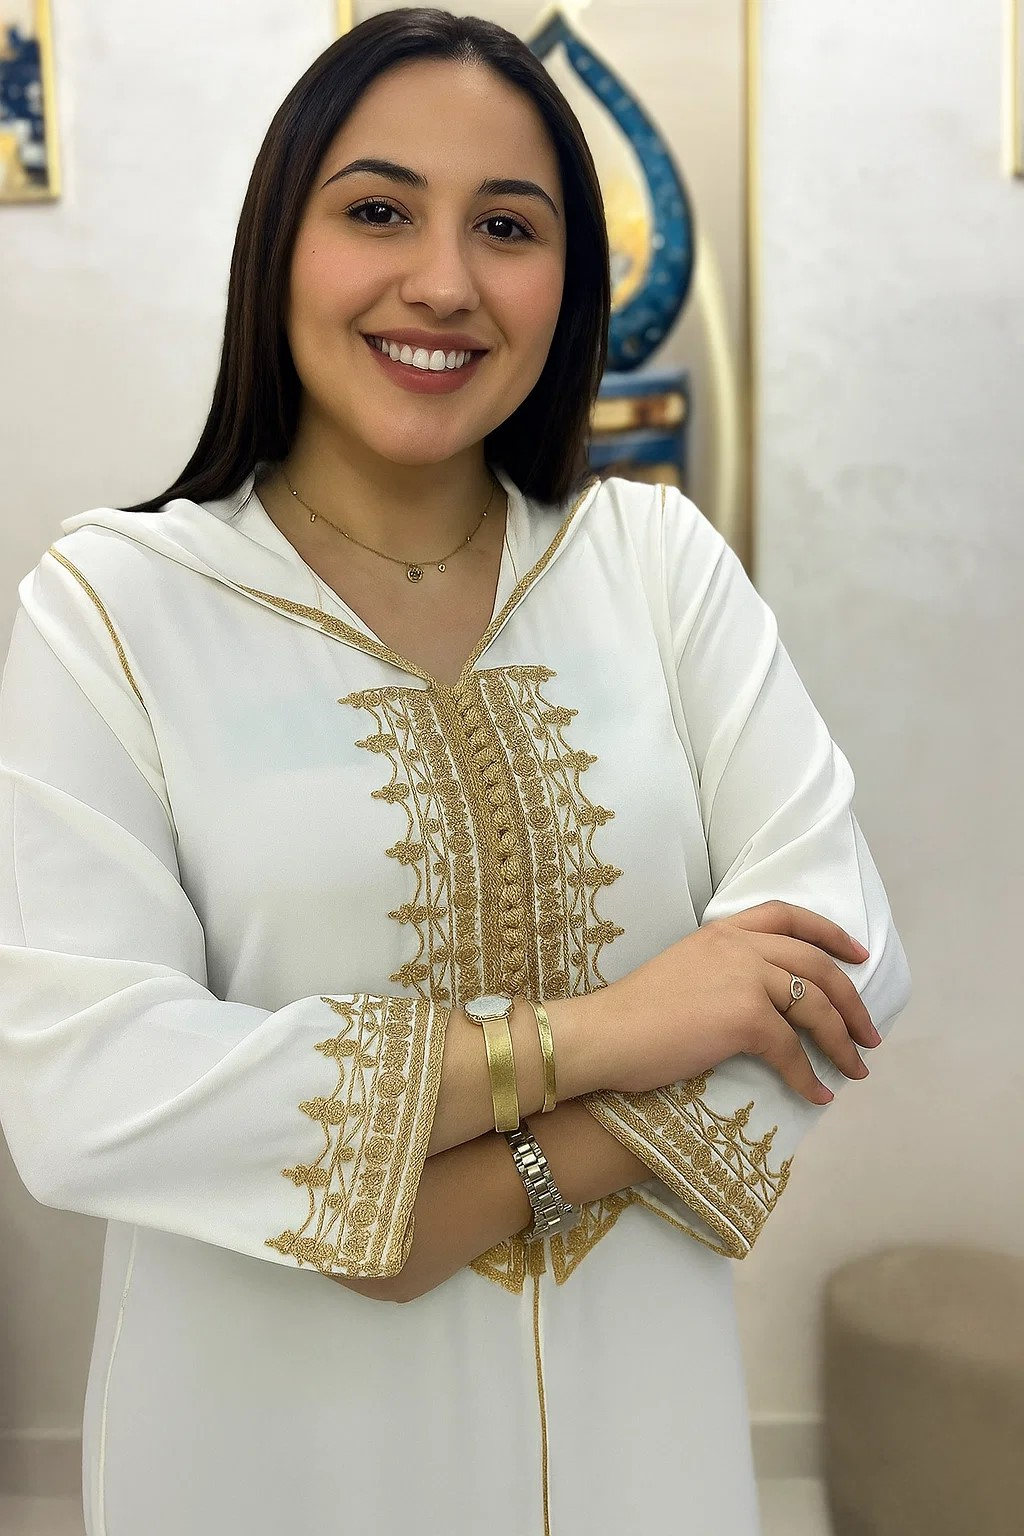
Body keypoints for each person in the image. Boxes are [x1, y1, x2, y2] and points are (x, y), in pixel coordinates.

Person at [0, 9, 911, 1534]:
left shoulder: (652, 562)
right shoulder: (114, 606)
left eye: (507, 226)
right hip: (271, 1445)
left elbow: (846, 953)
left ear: (572, 279)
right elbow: (85, 1083)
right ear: (277, 246)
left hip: (641, 1432)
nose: (443, 281)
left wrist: (478, 1193)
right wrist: (602, 1032)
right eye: (378, 211)